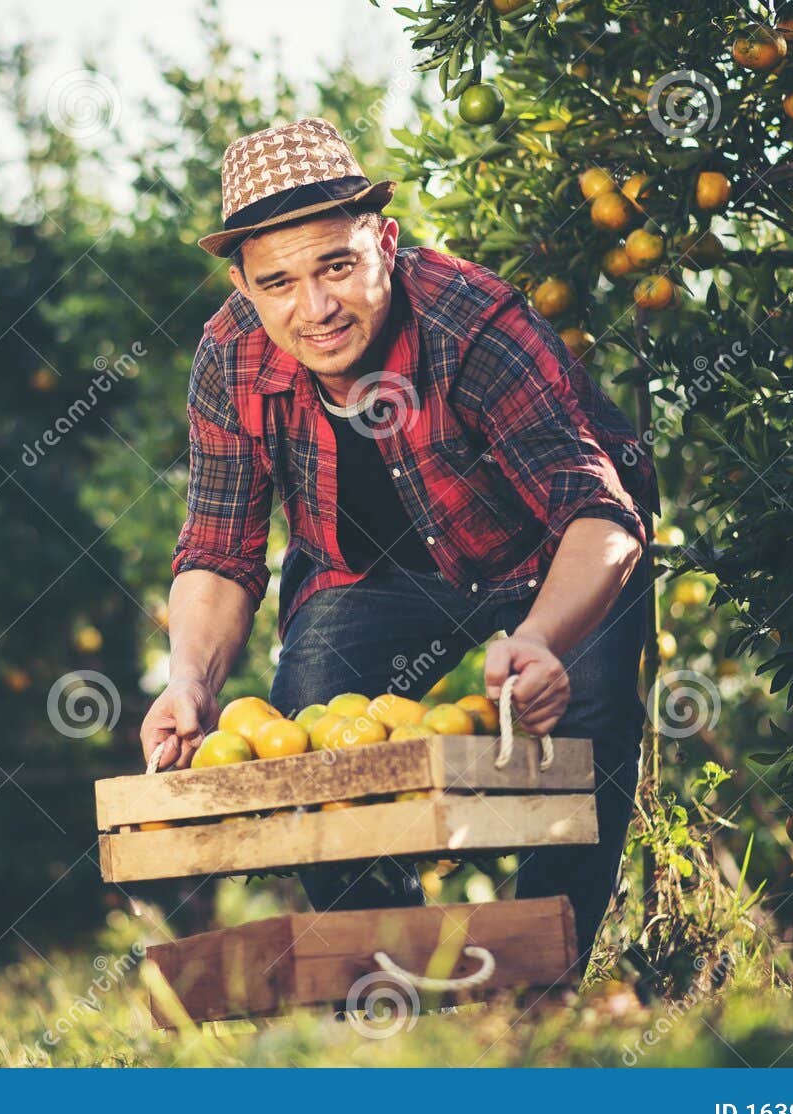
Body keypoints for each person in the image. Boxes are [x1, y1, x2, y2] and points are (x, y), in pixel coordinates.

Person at [138, 117, 659, 963]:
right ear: (243, 285)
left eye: (336, 266)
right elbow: (218, 551)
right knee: (312, 740)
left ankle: (537, 979)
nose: (315, 309)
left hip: (550, 551)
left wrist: (538, 638)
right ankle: (392, 984)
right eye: (277, 283)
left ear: (383, 240)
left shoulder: (471, 320)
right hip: (368, 570)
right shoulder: (229, 359)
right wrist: (190, 684)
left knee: (587, 721)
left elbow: (597, 514)